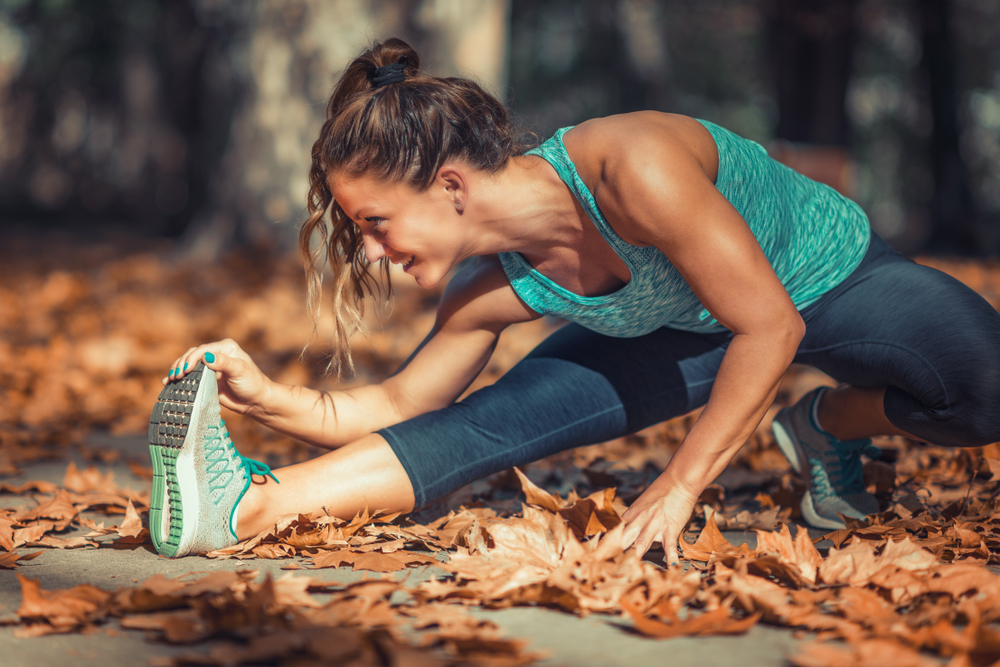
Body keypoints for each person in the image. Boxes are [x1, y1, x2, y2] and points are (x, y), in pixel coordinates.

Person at [147, 38, 1000, 560]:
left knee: (985, 387)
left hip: (833, 278)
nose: (371, 249)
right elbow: (403, 400)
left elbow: (771, 323)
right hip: (684, 329)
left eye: (374, 222)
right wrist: (267, 396)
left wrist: (679, 484)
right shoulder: (492, 285)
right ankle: (249, 504)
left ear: (449, 186)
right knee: (489, 421)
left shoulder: (632, 168)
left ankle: (822, 428)